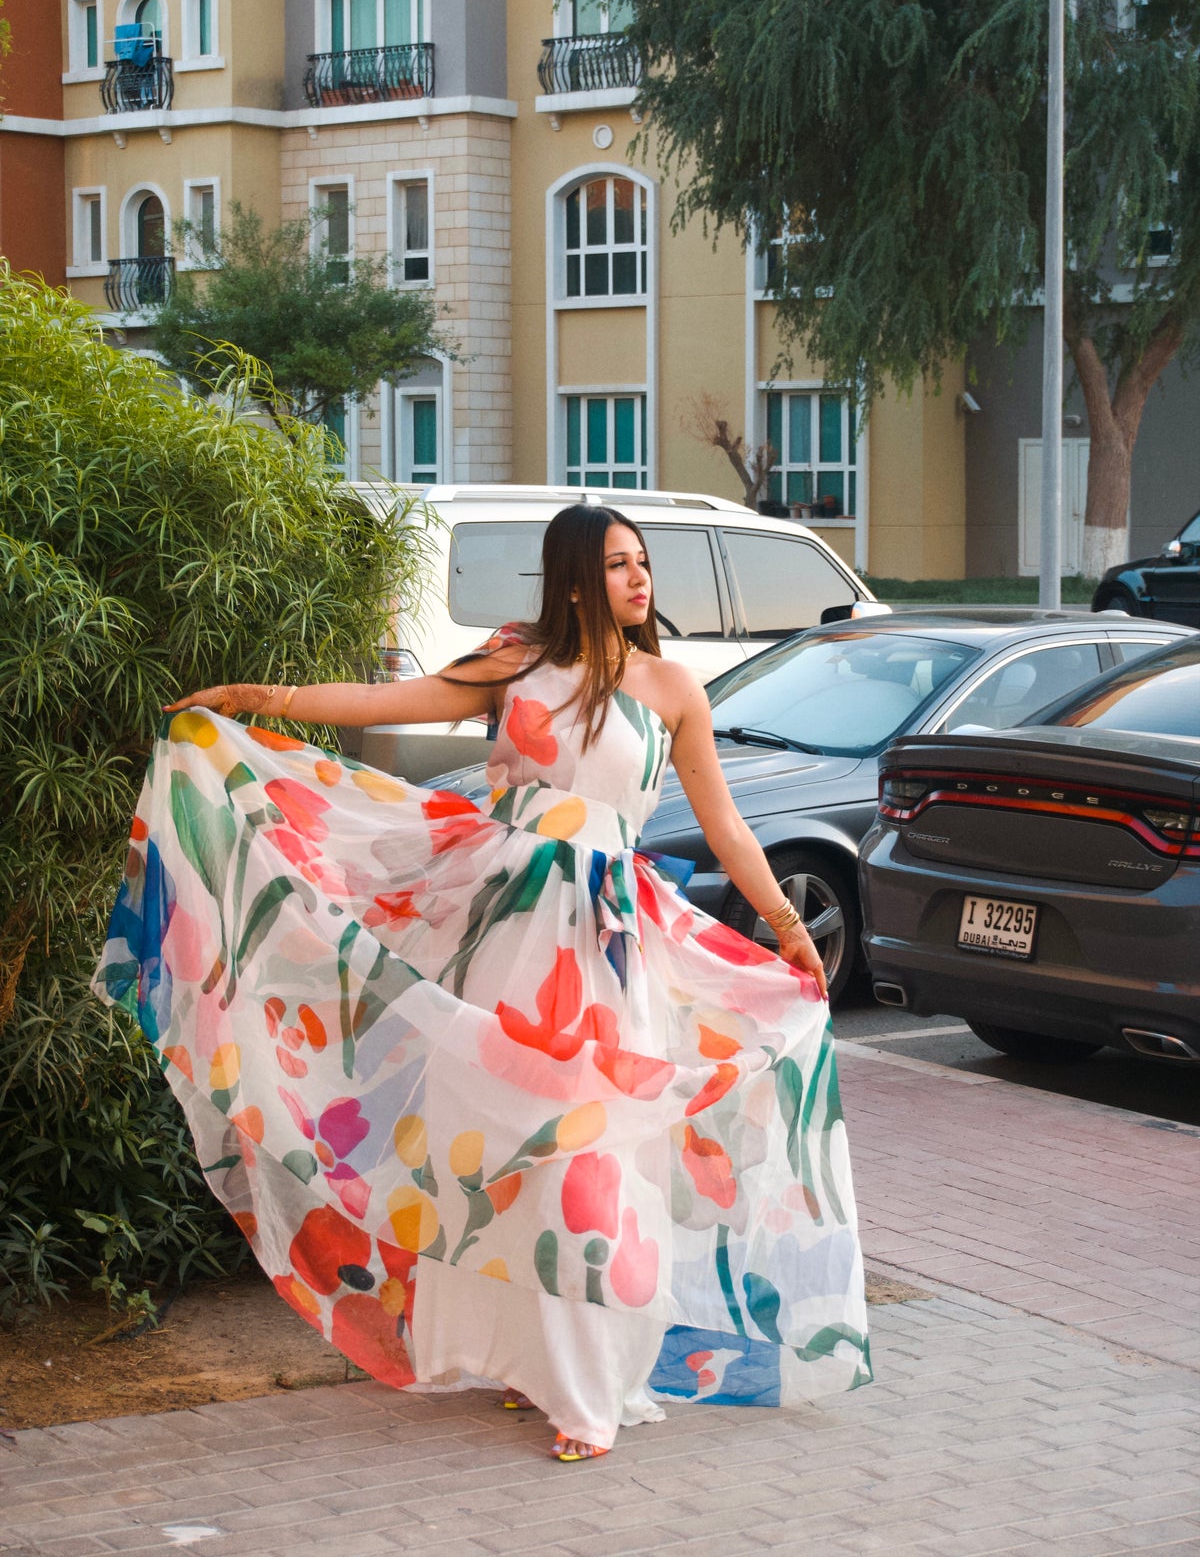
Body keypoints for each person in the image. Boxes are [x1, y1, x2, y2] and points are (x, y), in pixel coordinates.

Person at [94, 503, 870, 1461]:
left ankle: (588, 1392)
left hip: (602, 940)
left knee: (589, 1152)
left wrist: (790, 930)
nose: (640, 582)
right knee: (496, 1146)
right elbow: (392, 704)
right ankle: (526, 1359)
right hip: (506, 925)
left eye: (644, 565)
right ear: (577, 580)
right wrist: (263, 698)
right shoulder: (517, 661)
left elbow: (727, 828)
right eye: (619, 566)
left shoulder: (673, 688)